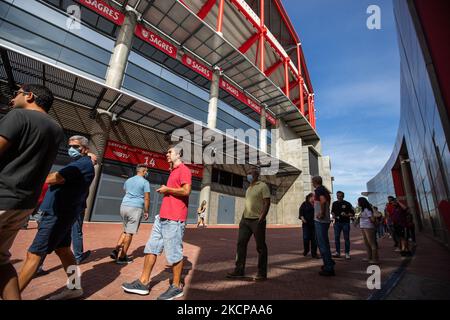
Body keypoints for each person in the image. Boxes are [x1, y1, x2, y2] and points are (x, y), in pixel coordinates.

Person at [0, 84, 63, 300]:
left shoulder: (18, 116)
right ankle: (75, 285)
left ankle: (75, 285)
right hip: (23, 204)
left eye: (16, 93)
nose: (12, 99)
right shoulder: (56, 129)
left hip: (2, 195)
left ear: (30, 96)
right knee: (2, 261)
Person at [17, 135, 95, 300]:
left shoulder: (83, 164)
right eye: (70, 146)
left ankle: (10, 295)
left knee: (34, 254)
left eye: (76, 146)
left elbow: (56, 177)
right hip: (61, 214)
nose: (71, 149)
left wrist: (33, 176)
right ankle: (74, 287)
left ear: (85, 149)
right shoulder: (77, 163)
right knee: (64, 251)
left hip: (58, 215)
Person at [122, 145, 192, 300]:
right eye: (166, 152)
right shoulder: (172, 171)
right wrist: (167, 190)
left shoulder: (184, 170)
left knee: (174, 254)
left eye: (170, 152)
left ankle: (176, 286)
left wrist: (167, 189)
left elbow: (186, 191)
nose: (167, 154)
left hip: (175, 219)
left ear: (179, 154)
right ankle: (143, 282)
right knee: (151, 248)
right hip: (162, 218)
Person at [226, 168, 271, 281]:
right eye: (248, 174)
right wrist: (242, 217)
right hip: (245, 220)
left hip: (257, 221)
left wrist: (262, 217)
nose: (248, 175)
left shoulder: (263, 186)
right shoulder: (249, 188)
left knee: (260, 247)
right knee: (241, 244)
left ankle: (262, 273)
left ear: (256, 175)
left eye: (250, 173)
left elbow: (267, 202)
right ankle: (239, 270)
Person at [110, 164, 150, 264]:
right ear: (143, 171)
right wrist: (146, 211)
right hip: (135, 208)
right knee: (129, 233)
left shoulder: (129, 180)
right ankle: (122, 257)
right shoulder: (145, 182)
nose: (147, 173)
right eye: (146, 171)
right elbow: (147, 198)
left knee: (125, 230)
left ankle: (116, 250)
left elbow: (126, 190)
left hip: (124, 206)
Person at [71, 151, 98, 265]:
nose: (94, 163)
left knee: (66, 230)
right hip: (76, 205)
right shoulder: (83, 169)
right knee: (76, 230)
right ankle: (78, 255)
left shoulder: (83, 170)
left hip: (75, 204)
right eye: (94, 161)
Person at [312, 176, 335, 276]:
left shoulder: (319, 189)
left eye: (312, 181)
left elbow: (323, 200)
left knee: (322, 244)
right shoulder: (324, 190)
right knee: (324, 242)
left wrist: (321, 213)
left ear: (314, 182)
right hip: (325, 221)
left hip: (320, 220)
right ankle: (328, 262)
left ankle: (328, 267)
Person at [331, 191, 355, 260]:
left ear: (343, 196)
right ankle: (338, 252)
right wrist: (333, 215)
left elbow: (352, 213)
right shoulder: (334, 203)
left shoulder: (347, 203)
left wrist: (346, 214)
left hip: (345, 223)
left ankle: (347, 253)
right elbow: (332, 211)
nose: (339, 197)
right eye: (338, 195)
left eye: (341, 196)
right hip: (337, 223)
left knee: (346, 238)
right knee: (336, 238)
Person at [358, 197, 379, 264]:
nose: (358, 203)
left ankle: (375, 259)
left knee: (372, 243)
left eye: (358, 201)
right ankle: (369, 257)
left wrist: (372, 220)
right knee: (367, 243)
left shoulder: (367, 209)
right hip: (363, 227)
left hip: (368, 227)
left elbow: (372, 219)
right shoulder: (363, 209)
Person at [299, 193, 319, 258]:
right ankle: (306, 250)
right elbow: (301, 212)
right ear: (310, 197)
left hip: (315, 224)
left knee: (314, 239)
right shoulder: (304, 204)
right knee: (306, 238)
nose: (315, 198)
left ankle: (314, 253)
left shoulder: (316, 204)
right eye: (314, 197)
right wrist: (303, 219)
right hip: (306, 224)